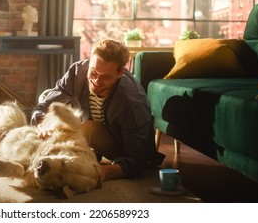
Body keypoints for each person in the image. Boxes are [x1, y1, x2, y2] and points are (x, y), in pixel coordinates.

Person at [31, 38, 165, 182]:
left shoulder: (131, 101)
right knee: (46, 96)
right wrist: (43, 124)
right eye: (94, 72)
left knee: (88, 128)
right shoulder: (77, 72)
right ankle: (83, 153)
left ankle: (70, 155)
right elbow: (45, 106)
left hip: (125, 148)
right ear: (90, 62)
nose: (97, 81)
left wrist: (107, 171)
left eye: (106, 76)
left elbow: (139, 158)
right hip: (93, 140)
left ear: (120, 73)